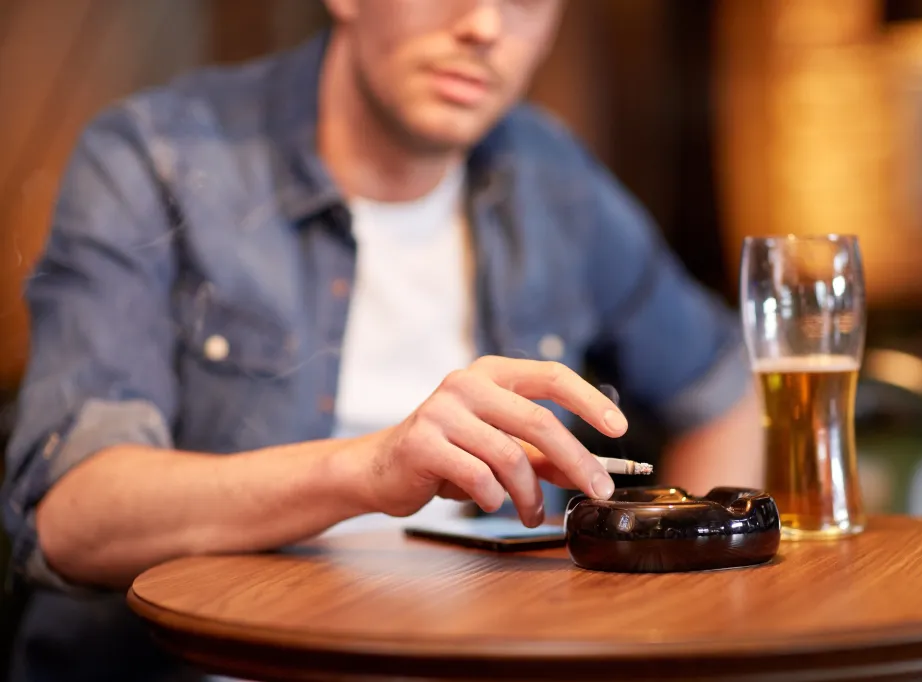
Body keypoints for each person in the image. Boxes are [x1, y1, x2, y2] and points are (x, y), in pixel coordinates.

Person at [1, 0, 763, 679]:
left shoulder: (550, 179)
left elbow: (723, 389)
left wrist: (666, 625)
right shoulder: (155, 157)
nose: (485, 25)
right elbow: (71, 517)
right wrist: (369, 469)